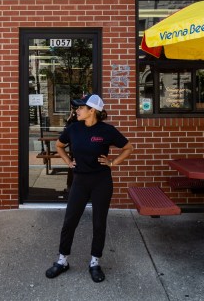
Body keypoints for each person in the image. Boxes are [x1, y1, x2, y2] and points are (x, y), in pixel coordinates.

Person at [45, 94, 133, 283]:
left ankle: (95, 262)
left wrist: (113, 162)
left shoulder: (107, 131)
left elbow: (128, 147)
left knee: (99, 223)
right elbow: (59, 145)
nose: (77, 111)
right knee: (70, 221)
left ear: (92, 110)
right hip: (80, 181)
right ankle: (62, 261)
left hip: (101, 182)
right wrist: (68, 162)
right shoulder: (73, 129)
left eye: (80, 108)